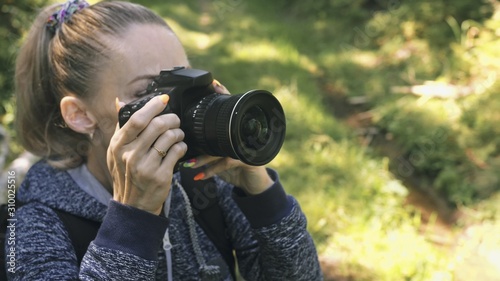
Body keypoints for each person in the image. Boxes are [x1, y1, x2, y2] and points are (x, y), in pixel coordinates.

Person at [8, 0, 322, 280]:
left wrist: (261, 195)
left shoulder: (205, 179)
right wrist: (131, 219)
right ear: (79, 114)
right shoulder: (36, 220)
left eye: (185, 82)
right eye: (151, 91)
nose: (180, 107)